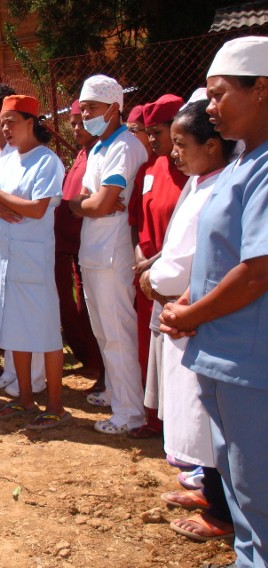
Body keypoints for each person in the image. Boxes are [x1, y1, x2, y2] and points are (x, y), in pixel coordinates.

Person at [160, 36, 268, 565]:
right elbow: (222, 254)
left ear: (262, 90)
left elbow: (257, 272)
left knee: (260, 493)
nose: (211, 108)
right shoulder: (245, 162)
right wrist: (190, 297)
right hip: (222, 351)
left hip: (251, 358)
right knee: (243, 493)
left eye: (221, 95)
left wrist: (191, 313)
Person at [144, 97, 236, 543]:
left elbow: (193, 258)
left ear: (214, 146)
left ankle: (222, 512)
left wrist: (155, 280)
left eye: (182, 144)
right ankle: (208, 490)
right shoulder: (199, 182)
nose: (173, 152)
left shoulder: (223, 187)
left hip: (198, 313)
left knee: (208, 416)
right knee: (192, 413)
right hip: (178, 308)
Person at [0, 95, 70, 429]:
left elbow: (38, 208)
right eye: (3, 121)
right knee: (16, 332)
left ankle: (55, 405)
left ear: (31, 122)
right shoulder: (6, 159)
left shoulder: (47, 161)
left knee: (44, 334)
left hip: (32, 261)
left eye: (12, 121)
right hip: (3, 260)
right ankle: (25, 399)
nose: (5, 128)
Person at [69, 75, 147, 434]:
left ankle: (130, 412)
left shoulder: (124, 146)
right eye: (83, 108)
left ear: (115, 108)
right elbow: (81, 202)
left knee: (118, 333)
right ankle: (116, 392)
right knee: (103, 331)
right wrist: (90, 204)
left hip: (113, 254)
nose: (85, 115)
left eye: (92, 108)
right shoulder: (99, 147)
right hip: (93, 252)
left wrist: (91, 203)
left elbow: (98, 202)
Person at [0, 83, 45, 390]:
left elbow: (28, 201)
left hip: (24, 243)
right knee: (5, 312)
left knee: (28, 313)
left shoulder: (29, 153)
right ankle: (13, 370)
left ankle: (36, 376)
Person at [130, 94, 188, 439]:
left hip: (177, 274)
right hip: (149, 276)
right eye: (148, 132)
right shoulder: (149, 169)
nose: (152, 139)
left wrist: (156, 261)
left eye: (158, 132)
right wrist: (140, 256)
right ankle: (154, 417)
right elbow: (138, 220)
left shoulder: (190, 172)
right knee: (151, 350)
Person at [55, 101, 104, 391]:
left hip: (88, 242)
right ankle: (87, 356)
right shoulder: (81, 155)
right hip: (68, 243)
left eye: (80, 122)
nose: (76, 128)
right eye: (72, 123)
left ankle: (99, 365)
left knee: (91, 307)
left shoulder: (99, 155)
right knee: (76, 304)